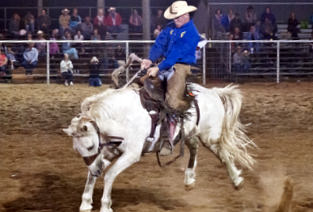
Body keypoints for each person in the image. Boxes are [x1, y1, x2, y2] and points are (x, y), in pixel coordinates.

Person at [141, 1, 200, 113]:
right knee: (142, 83)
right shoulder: (170, 28)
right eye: (174, 17)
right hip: (167, 63)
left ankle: (189, 111)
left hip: (181, 66)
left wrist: (158, 68)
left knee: (172, 102)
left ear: (186, 15)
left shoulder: (191, 33)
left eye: (177, 17)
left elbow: (176, 54)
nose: (175, 19)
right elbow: (159, 45)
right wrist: (150, 59)